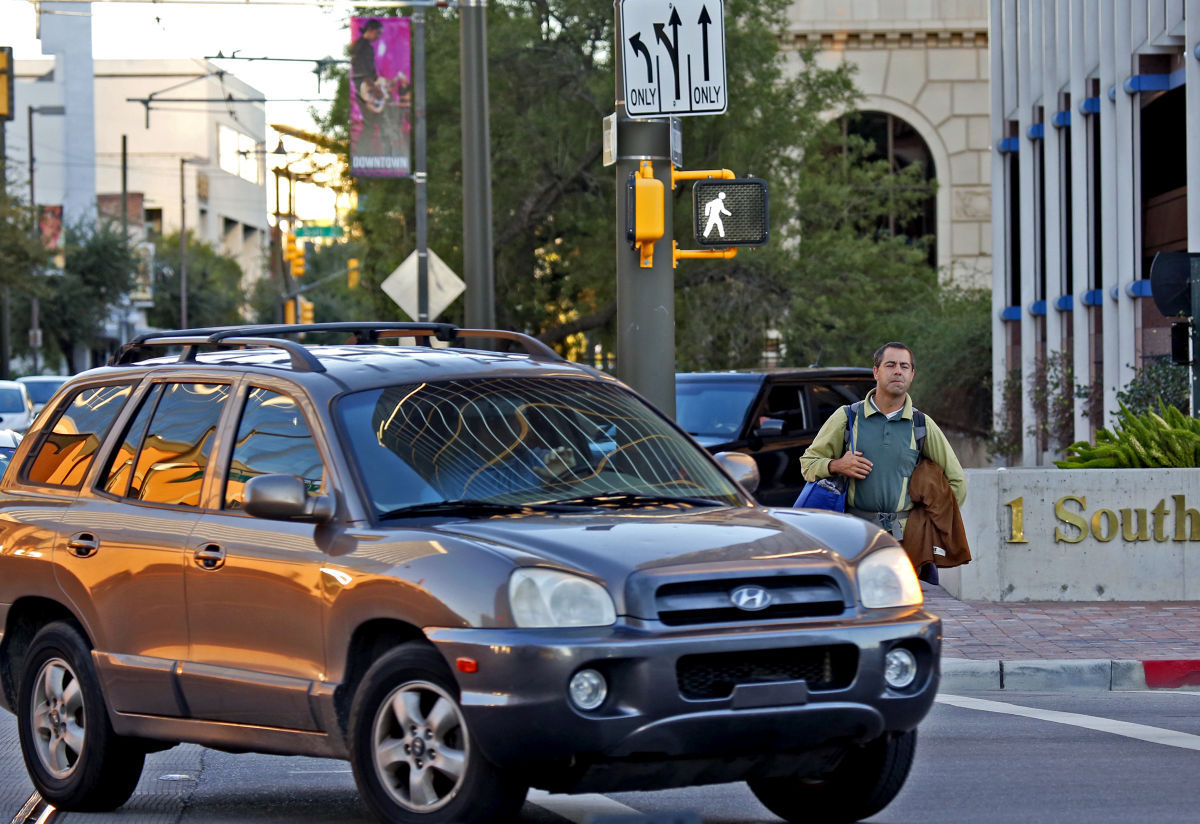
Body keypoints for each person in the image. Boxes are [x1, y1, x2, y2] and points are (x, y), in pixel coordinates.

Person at [799, 342, 965, 582]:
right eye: (890, 365)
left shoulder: (921, 424)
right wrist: (836, 465)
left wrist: (927, 526)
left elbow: (956, 481)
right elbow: (808, 463)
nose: (898, 371)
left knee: (902, 607)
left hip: (906, 542)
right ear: (876, 372)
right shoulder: (848, 417)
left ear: (912, 375)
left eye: (904, 366)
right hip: (853, 535)